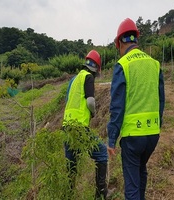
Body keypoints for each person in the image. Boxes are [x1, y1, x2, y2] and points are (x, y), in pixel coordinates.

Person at [107, 18, 165, 200]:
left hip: (133, 137)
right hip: (153, 134)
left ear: (119, 43)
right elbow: (161, 100)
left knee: (131, 184)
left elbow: (117, 106)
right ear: (135, 40)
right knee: (141, 171)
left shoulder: (123, 65)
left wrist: (111, 138)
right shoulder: (154, 64)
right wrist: (157, 125)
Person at [63, 50, 108, 199]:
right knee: (101, 153)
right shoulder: (88, 77)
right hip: (79, 128)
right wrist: (93, 112)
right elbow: (90, 101)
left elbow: (67, 101)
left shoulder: (73, 80)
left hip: (66, 128)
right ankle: (100, 196)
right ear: (96, 68)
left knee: (71, 165)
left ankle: (68, 195)